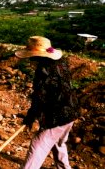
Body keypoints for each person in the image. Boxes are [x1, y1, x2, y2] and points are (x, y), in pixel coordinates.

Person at [15, 36, 79, 169]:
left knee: (38, 145)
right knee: (59, 143)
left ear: (38, 55)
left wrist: (30, 117)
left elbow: (40, 98)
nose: (30, 58)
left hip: (58, 116)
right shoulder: (61, 63)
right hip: (72, 111)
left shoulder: (43, 71)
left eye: (32, 56)